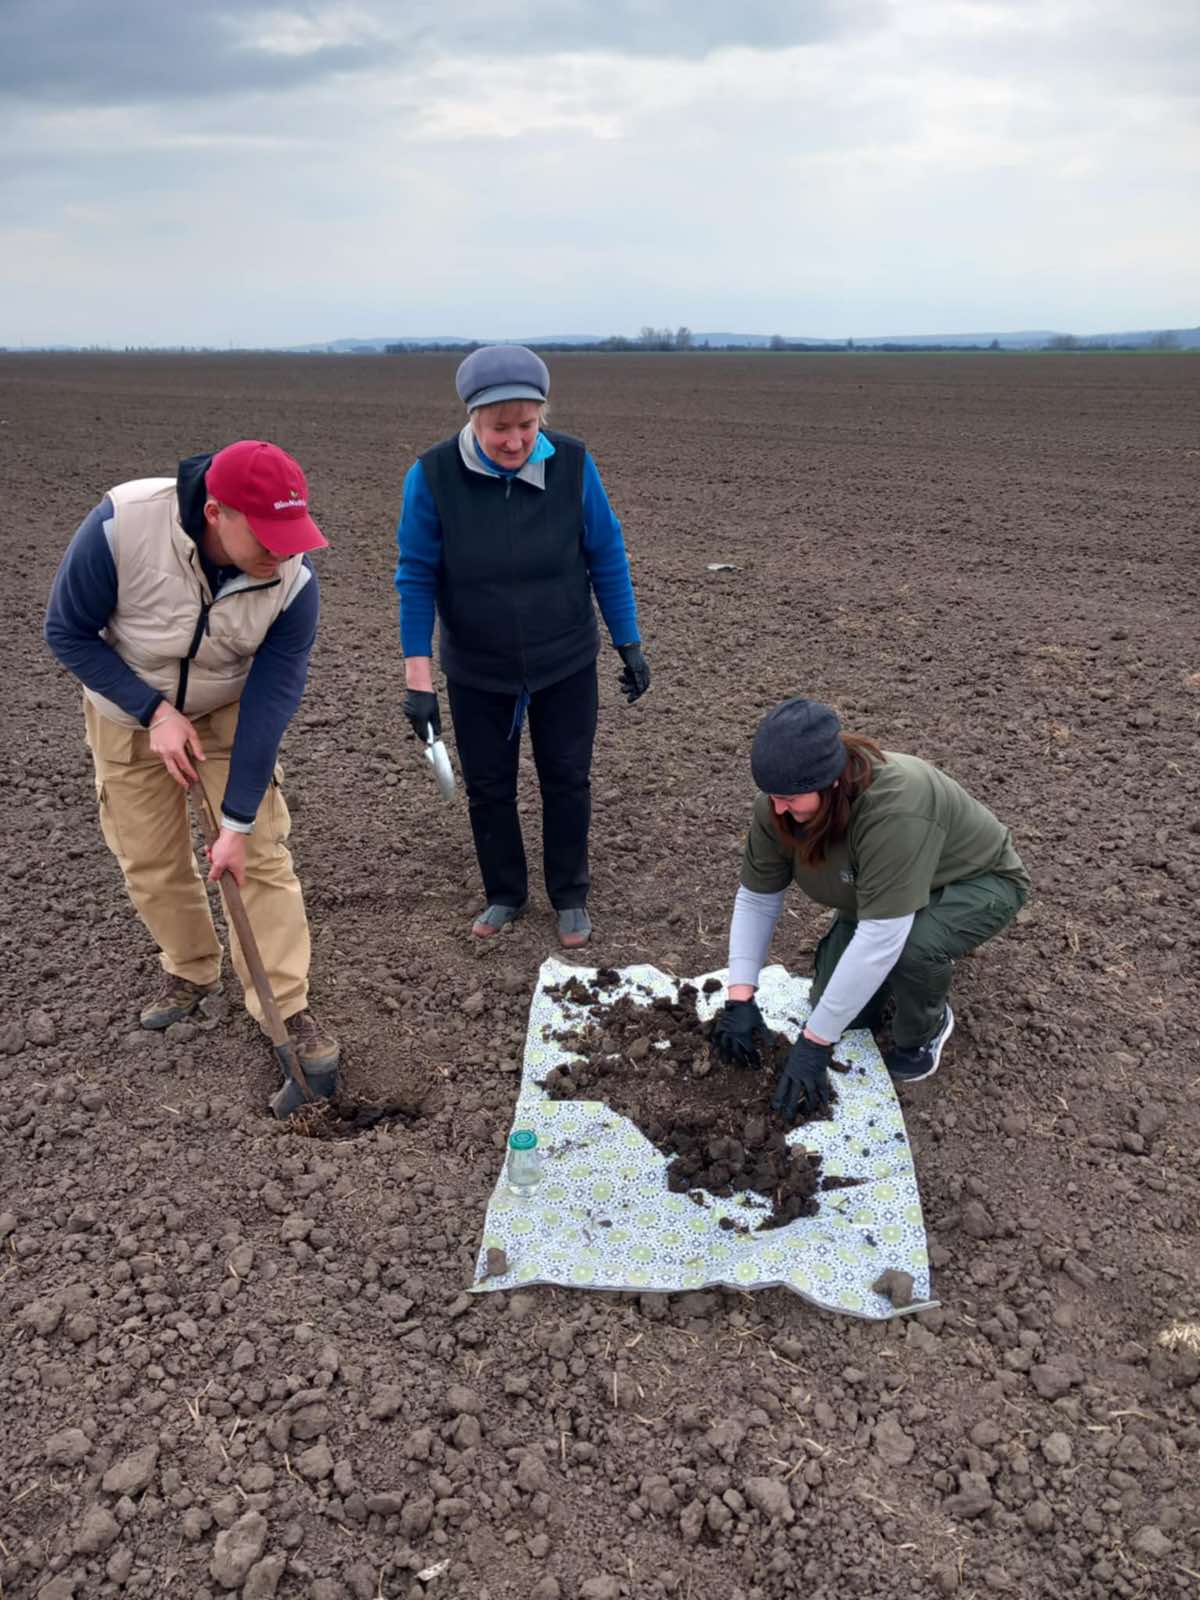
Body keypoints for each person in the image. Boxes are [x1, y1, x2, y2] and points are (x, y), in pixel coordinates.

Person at [44, 440, 340, 1094]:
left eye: (294, 537)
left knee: (258, 853)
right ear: (215, 513)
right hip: (128, 706)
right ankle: (191, 967)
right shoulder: (122, 526)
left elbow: (271, 702)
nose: (283, 554)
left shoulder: (293, 585)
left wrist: (234, 824)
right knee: (149, 855)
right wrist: (152, 712)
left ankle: (285, 1009)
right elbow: (66, 631)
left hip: (230, 706)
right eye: (267, 537)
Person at [395, 344, 649, 947]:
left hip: (564, 657)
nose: (515, 441)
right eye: (498, 427)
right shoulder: (432, 476)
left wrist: (628, 642)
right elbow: (416, 576)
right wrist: (419, 681)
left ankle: (570, 894)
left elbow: (605, 554)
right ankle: (504, 891)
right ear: (472, 419)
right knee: (489, 786)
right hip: (479, 666)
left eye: (527, 425)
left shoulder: (573, 464)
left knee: (567, 776)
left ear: (543, 415)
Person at [712, 697, 1030, 1121]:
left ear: (830, 782)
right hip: (882, 889)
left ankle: (925, 1029)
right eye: (771, 796)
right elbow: (757, 897)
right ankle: (903, 939)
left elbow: (881, 938)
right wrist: (740, 996)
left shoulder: (893, 807)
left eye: (788, 797)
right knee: (843, 1010)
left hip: (975, 882)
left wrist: (813, 1044)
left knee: (911, 947)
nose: (777, 808)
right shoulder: (779, 806)